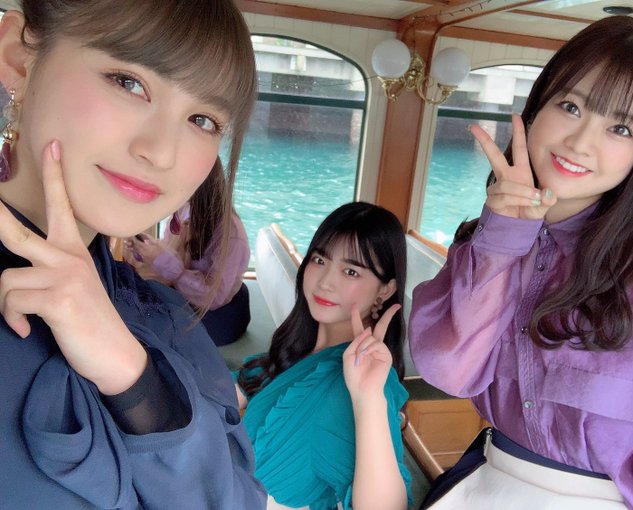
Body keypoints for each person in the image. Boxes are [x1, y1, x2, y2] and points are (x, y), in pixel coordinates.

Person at [0, 1, 266, 508]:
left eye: (203, 119)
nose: (161, 152)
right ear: (19, 57)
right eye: (128, 82)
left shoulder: (162, 317)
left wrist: (133, 378)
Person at [408, 15, 633, 510]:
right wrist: (502, 238)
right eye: (571, 106)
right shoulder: (487, 239)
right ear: (537, 107)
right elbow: (450, 371)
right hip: (483, 485)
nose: (580, 142)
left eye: (620, 128)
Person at [236, 202, 412, 510]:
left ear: (385, 290)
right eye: (320, 260)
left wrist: (369, 398)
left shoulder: (357, 383)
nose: (325, 282)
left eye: (351, 271)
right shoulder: (297, 349)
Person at [123, 161, 252, 346]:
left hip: (219, 314)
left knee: (142, 329)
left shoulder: (230, 235)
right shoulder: (185, 209)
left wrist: (164, 262)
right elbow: (171, 255)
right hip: (187, 298)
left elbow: (214, 298)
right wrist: (144, 252)